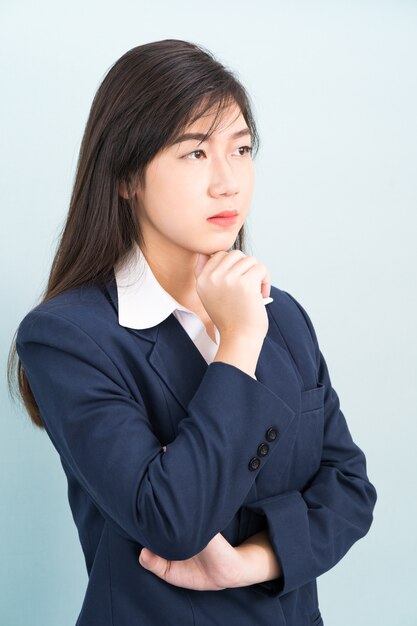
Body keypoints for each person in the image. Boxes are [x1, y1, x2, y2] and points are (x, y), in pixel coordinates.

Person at [8, 39, 377, 626]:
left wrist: (252, 561)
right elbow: (174, 519)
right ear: (127, 177)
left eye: (241, 149)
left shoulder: (282, 315)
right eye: (194, 154)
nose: (228, 182)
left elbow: (350, 490)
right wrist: (237, 344)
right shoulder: (68, 337)